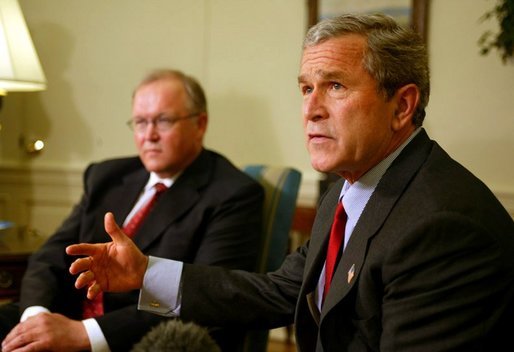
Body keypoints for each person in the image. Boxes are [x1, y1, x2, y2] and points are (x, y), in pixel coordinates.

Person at [67, 14, 514, 351]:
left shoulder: (444, 226)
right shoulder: (351, 186)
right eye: (305, 89)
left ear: (402, 106)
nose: (311, 109)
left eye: (335, 86)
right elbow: (280, 292)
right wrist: (146, 273)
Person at [0, 69, 264, 352]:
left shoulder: (232, 194)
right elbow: (51, 256)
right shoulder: (105, 176)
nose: (149, 135)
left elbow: (205, 299)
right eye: (140, 122)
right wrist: (36, 318)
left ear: (200, 124)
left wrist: (84, 334)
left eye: (163, 121)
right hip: (63, 315)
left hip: (138, 338)